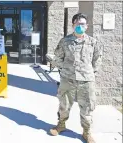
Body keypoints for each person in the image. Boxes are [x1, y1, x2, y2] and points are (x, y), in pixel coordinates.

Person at [50, 13, 103, 143]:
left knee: (87, 108)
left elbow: (97, 60)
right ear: (73, 25)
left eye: (83, 24)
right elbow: (57, 58)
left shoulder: (93, 42)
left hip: (86, 81)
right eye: (78, 24)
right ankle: (61, 125)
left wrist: (90, 72)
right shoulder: (65, 41)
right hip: (68, 80)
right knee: (64, 105)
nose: (80, 26)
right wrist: (65, 69)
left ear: (87, 26)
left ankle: (87, 132)